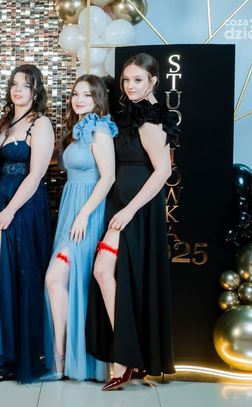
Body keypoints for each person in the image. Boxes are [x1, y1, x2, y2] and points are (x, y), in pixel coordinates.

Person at [85, 53, 178, 390]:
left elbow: (163, 172)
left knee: (105, 271)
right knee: (116, 276)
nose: (130, 86)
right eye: (126, 80)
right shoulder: (129, 115)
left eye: (138, 80)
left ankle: (125, 361)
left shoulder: (151, 121)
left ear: (153, 81)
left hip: (135, 208)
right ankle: (131, 358)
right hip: (119, 203)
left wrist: (129, 210)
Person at [0, 64, 54, 383]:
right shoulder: (5, 122)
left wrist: (10, 210)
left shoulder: (41, 123)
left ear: (36, 91)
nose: (18, 90)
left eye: (26, 85)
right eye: (14, 84)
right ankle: (3, 352)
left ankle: (4, 355)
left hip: (23, 205)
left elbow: (36, 175)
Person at [44, 74, 117, 382]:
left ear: (98, 98)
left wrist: (84, 215)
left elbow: (108, 177)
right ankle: (62, 359)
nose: (79, 99)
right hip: (70, 207)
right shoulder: (76, 130)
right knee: (60, 281)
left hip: (88, 210)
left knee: (58, 277)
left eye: (87, 95)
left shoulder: (100, 129)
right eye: (76, 94)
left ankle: (68, 359)